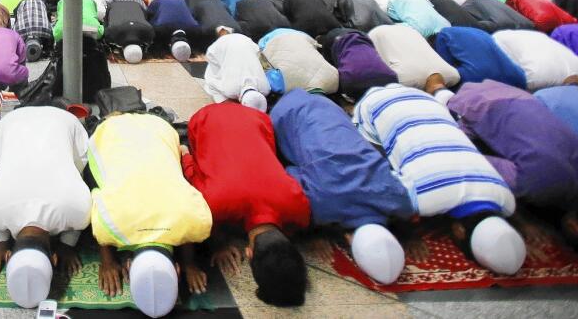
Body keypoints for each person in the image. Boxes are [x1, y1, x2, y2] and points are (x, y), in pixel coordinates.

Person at [447, 80, 578, 274]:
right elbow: (472, 163)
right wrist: (521, 222)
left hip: (528, 98)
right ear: (573, 227)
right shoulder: (539, 183)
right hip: (478, 101)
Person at [354, 83, 526, 276]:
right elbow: (383, 197)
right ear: (460, 232)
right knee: (374, 164)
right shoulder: (421, 199)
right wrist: (408, 235)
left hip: (428, 101)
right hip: (374, 106)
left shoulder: (505, 198)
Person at [271, 89, 415, 285]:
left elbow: (406, 208)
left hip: (330, 107)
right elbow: (289, 174)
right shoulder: (321, 206)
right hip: (285, 114)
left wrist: (409, 235)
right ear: (348, 241)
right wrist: (311, 233)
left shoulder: (397, 199)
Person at [182, 101, 307, 306]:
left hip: (257, 118)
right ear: (248, 253)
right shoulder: (214, 206)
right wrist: (217, 243)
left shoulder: (299, 207)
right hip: (204, 118)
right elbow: (191, 173)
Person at [91, 110, 213, 317]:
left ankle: (123, 116)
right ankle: (120, 116)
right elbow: (96, 198)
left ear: (177, 269)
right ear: (128, 266)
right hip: (112, 131)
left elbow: (185, 222)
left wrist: (190, 263)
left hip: (162, 129)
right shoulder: (107, 228)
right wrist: (108, 262)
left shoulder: (198, 224)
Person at [0, 106, 91, 310]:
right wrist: (1, 244)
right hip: (20, 121)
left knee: (77, 168)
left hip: (51, 121)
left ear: (55, 258)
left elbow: (77, 224)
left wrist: (67, 246)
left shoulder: (78, 210)